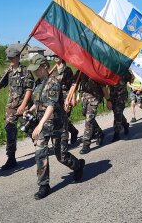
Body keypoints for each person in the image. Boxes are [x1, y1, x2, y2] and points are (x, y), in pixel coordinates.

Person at [25, 54, 85, 200]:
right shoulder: (38, 83)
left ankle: (77, 165)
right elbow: (39, 101)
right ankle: (43, 185)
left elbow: (51, 105)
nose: (35, 72)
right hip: (44, 125)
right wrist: (31, 109)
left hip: (57, 124)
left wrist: (39, 124)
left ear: (45, 67)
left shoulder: (54, 83)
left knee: (61, 156)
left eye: (37, 69)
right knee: (40, 152)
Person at [0, 45, 34, 170]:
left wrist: (23, 105)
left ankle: (40, 146)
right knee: (9, 130)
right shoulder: (7, 71)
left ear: (18, 57)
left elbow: (29, 89)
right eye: (9, 58)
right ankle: (11, 158)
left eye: (12, 58)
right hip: (11, 106)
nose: (10, 60)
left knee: (28, 128)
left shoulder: (26, 71)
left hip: (23, 106)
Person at [75, 73, 108, 154]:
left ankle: (86, 143)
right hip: (85, 98)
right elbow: (75, 83)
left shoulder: (95, 69)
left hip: (94, 97)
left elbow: (103, 86)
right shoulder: (81, 70)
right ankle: (100, 133)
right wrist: (74, 97)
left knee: (89, 119)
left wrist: (108, 99)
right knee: (88, 117)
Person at [50, 54, 79, 144]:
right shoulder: (53, 71)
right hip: (56, 98)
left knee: (64, 118)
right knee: (60, 119)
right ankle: (73, 131)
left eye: (57, 55)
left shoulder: (67, 70)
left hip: (66, 96)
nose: (55, 57)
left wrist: (73, 98)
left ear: (62, 57)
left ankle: (63, 142)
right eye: (54, 56)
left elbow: (72, 85)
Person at [107, 74, 131, 141]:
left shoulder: (123, 71)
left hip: (121, 97)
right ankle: (125, 124)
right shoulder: (109, 71)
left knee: (117, 113)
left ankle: (116, 134)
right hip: (113, 97)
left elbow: (130, 79)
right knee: (118, 113)